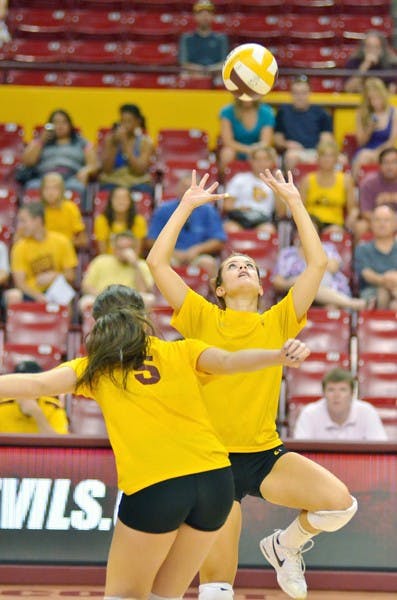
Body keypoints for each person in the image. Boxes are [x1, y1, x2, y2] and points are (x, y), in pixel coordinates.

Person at [0, 282, 311, 598]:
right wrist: (279, 355)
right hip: (217, 481)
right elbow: (229, 362)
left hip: (159, 483)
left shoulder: (96, 368)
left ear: (99, 322)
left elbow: (35, 385)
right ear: (143, 316)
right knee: (165, 596)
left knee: (124, 595)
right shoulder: (180, 350)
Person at [147, 170, 358, 600]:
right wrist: (185, 206)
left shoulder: (278, 319)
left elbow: (317, 263)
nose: (243, 267)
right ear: (220, 288)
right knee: (217, 588)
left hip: (263, 455)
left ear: (261, 285)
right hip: (211, 461)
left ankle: (286, 545)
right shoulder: (201, 316)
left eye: (250, 266)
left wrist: (295, 202)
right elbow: (156, 263)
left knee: (340, 504)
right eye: (233, 266)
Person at [272, 217, 368, 311]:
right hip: (300, 296)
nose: (308, 234)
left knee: (325, 300)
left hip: (330, 288)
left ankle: (345, 303)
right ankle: (351, 303)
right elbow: (277, 282)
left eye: (311, 231)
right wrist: (294, 282)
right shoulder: (287, 254)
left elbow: (333, 267)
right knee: (308, 286)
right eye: (303, 229)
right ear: (297, 233)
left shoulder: (327, 249)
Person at [146, 174, 226, 277]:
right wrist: (173, 252)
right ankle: (159, 293)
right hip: (170, 255)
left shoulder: (208, 211)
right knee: (162, 264)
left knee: (208, 263)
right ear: (177, 189)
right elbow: (151, 240)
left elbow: (218, 241)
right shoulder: (163, 210)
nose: (188, 191)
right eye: (184, 187)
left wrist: (197, 250)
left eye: (192, 188)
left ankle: (217, 292)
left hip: (198, 255)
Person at [5, 202, 77, 306]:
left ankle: (64, 321)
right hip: (30, 293)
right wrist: (38, 296)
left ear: (37, 220)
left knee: (65, 294)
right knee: (13, 295)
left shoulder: (62, 241)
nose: (20, 226)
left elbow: (71, 276)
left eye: (23, 221)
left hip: (54, 291)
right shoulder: (19, 247)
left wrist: (54, 275)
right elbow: (20, 283)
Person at [20, 109, 99, 198]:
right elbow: (27, 162)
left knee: (77, 187)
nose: (60, 126)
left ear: (70, 125)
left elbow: (94, 165)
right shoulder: (41, 142)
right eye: (56, 123)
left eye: (64, 122)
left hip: (71, 178)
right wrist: (41, 141)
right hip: (44, 178)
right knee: (32, 186)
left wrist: (86, 171)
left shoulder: (82, 143)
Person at [293, 367, 388, 441]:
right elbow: (300, 455)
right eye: (331, 390)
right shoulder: (309, 414)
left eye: (343, 390)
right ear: (324, 393)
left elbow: (379, 452)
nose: (336, 395)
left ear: (352, 393)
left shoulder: (367, 412)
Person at [79, 231, 155, 313]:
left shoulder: (142, 265)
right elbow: (86, 286)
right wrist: (104, 297)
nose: (124, 252)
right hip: (103, 299)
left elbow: (143, 291)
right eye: (121, 248)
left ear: (135, 249)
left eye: (128, 248)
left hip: (130, 301)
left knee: (149, 299)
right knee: (86, 301)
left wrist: (135, 265)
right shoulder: (100, 260)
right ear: (114, 249)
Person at [274, 75, 334, 172]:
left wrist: (320, 154)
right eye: (296, 93)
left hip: (315, 152)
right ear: (291, 94)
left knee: (338, 159)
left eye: (303, 93)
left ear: (310, 93)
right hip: (294, 152)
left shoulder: (321, 113)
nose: (300, 97)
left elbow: (326, 139)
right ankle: (290, 186)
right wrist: (286, 144)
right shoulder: (283, 112)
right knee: (291, 156)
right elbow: (277, 139)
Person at [299, 140, 358, 233]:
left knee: (334, 231)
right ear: (317, 158)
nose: (327, 159)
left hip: (335, 224)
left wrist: (353, 215)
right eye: (323, 155)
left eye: (330, 156)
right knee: (311, 228)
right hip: (311, 222)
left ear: (336, 159)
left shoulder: (346, 180)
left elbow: (352, 209)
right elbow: (299, 207)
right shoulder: (307, 180)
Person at [223, 146, 286, 234]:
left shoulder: (275, 183)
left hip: (262, 221)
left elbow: (281, 213)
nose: (261, 163)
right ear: (251, 161)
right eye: (257, 159)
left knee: (268, 231)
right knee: (230, 229)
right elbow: (227, 205)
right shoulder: (239, 179)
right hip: (239, 218)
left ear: (272, 162)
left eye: (265, 159)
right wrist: (239, 208)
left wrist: (277, 187)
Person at [0, 360, 69, 434]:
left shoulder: (53, 408)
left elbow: (58, 443)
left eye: (31, 384)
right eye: (21, 383)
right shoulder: (2, 406)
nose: (26, 389)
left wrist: (38, 414)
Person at [99, 104, 155, 195]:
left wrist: (125, 144)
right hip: (113, 181)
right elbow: (106, 169)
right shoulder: (111, 139)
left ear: (138, 122)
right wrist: (114, 145)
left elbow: (139, 170)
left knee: (145, 190)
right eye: (122, 121)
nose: (124, 125)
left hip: (137, 182)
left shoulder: (146, 142)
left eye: (128, 121)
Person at [352, 77, 397, 182]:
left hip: (386, 151)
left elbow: (391, 141)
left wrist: (377, 153)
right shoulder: (361, 114)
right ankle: (355, 186)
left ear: (383, 95)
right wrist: (369, 129)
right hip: (366, 150)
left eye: (377, 98)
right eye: (371, 99)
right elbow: (361, 142)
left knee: (369, 156)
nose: (374, 102)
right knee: (364, 155)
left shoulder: (394, 112)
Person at [355, 203, 397, 309]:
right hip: (371, 291)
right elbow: (366, 274)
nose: (382, 224)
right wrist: (385, 280)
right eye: (377, 220)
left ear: (395, 224)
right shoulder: (362, 248)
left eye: (386, 220)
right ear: (371, 224)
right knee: (383, 293)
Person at [218, 98, 275, 171]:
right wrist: (248, 150)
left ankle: (265, 180)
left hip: (258, 149)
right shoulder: (226, 111)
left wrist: (255, 150)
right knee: (227, 154)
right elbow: (228, 141)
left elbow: (265, 142)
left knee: (266, 154)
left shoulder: (266, 112)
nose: (247, 98)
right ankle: (224, 181)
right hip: (236, 150)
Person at [178, 0, 229, 76]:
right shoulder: (187, 38)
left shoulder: (221, 39)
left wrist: (208, 70)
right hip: (193, 75)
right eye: (200, 13)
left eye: (208, 13)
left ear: (213, 16)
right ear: (195, 16)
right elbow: (184, 63)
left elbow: (224, 63)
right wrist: (201, 71)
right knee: (183, 75)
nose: (204, 16)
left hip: (215, 75)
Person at [93, 186, 148, 255]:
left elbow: (137, 251)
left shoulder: (139, 220)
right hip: (109, 260)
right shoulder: (101, 220)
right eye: (117, 198)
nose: (121, 201)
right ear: (111, 201)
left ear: (130, 202)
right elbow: (102, 252)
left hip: (131, 260)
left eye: (124, 198)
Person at [357, 147, 397, 239]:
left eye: (394, 162)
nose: (390, 167)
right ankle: (359, 253)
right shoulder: (368, 183)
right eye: (386, 162)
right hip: (375, 220)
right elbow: (365, 212)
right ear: (379, 165)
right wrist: (383, 222)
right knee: (360, 227)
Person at [39, 171, 87, 249]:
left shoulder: (70, 208)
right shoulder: (37, 210)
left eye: (54, 188)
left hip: (65, 252)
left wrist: (62, 245)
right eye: (47, 188)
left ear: (62, 190)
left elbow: (83, 240)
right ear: (41, 191)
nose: (50, 193)